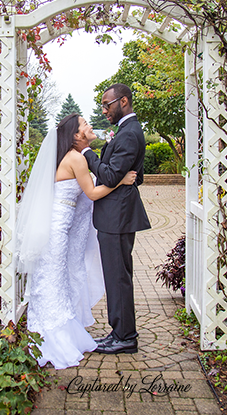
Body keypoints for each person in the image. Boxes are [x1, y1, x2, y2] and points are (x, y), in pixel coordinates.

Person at [14, 113, 137, 369]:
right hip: (57, 232)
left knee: (53, 281)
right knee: (53, 281)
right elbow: (92, 193)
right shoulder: (75, 158)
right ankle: (51, 338)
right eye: (84, 124)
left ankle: (53, 332)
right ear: (76, 135)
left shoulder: (67, 157)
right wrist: (120, 181)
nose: (89, 125)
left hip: (58, 228)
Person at [74, 83, 151, 355]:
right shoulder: (126, 132)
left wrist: (86, 152)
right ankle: (119, 332)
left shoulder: (129, 134)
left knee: (118, 278)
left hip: (117, 218)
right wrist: (125, 179)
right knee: (117, 276)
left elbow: (107, 176)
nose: (104, 110)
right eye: (103, 106)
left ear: (124, 102)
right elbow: (135, 175)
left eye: (107, 104)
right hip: (116, 216)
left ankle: (125, 337)